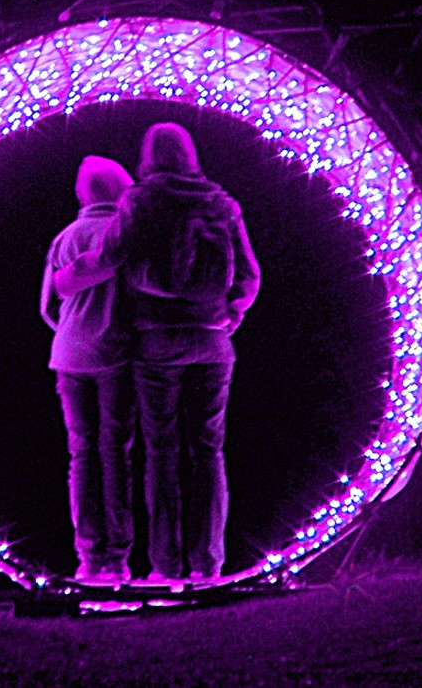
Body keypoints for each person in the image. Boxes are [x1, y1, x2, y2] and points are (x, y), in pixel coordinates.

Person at [55, 123, 260, 581]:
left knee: (161, 451)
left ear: (148, 157)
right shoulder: (222, 204)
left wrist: (66, 278)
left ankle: (166, 568)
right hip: (212, 339)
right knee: (209, 451)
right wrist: (232, 314)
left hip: (156, 340)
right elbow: (249, 276)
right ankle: (207, 565)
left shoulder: (141, 201)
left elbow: (110, 257)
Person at [40, 155, 137, 583]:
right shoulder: (126, 235)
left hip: (68, 355)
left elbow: (46, 305)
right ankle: (117, 557)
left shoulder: (64, 237)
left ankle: (88, 555)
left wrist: (71, 329)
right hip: (114, 354)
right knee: (115, 453)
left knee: (81, 454)